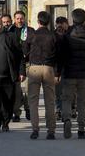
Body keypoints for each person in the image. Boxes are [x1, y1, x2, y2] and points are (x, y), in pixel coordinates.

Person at [59, 8, 85, 139]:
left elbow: (62, 52)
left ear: (72, 19)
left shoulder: (67, 33)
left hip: (69, 71)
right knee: (83, 100)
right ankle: (81, 128)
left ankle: (67, 119)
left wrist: (59, 71)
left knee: (67, 98)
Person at [23, 10, 59, 140]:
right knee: (50, 101)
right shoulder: (53, 36)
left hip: (34, 68)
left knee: (33, 101)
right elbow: (57, 54)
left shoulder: (32, 35)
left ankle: (35, 130)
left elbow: (25, 50)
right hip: (49, 68)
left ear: (38, 21)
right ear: (49, 22)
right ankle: (51, 131)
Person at [7, 10, 32, 122]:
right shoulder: (10, 31)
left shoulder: (30, 31)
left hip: (28, 63)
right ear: (14, 19)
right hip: (15, 65)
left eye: (21, 18)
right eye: (17, 18)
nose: (19, 20)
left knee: (28, 89)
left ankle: (28, 109)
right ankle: (16, 112)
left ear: (24, 18)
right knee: (16, 90)